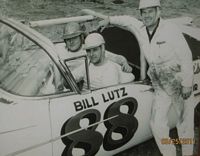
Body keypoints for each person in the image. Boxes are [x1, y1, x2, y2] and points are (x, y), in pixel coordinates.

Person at [98, 0, 195, 155]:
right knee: (156, 125)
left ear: (158, 11)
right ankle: (169, 152)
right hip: (159, 84)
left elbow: (186, 55)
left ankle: (188, 153)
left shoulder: (170, 29)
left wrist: (187, 83)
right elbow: (127, 20)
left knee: (184, 124)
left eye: (150, 11)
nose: (147, 15)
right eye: (144, 12)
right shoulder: (140, 28)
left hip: (177, 81)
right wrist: (109, 19)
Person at [55, 22, 132, 72]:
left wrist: (125, 63)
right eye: (68, 39)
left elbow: (115, 58)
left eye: (74, 38)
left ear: (81, 37)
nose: (71, 42)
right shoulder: (59, 50)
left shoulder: (89, 49)